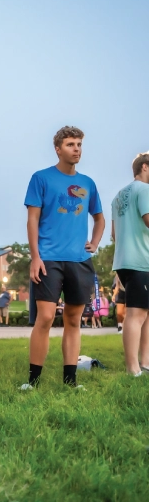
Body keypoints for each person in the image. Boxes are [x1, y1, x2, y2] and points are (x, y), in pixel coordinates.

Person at [21, 126, 105, 390]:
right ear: (58, 149)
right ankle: (33, 382)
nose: (76, 148)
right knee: (45, 317)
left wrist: (95, 242)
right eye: (70, 144)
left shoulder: (88, 183)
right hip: (49, 259)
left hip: (79, 260)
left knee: (73, 319)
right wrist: (35, 256)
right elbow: (32, 220)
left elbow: (99, 218)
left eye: (79, 144)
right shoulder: (41, 178)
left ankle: (70, 381)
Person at [111, 152, 149, 376]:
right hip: (141, 260)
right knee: (136, 315)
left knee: (145, 313)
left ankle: (145, 362)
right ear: (145, 167)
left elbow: (114, 234)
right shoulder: (144, 190)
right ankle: (132, 369)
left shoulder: (118, 195)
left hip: (124, 261)